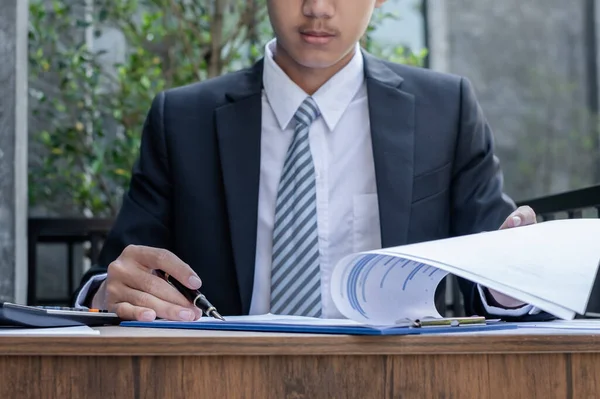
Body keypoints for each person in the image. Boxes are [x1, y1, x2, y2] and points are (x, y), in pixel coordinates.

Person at [75, 0, 546, 322]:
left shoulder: (446, 109)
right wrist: (110, 293)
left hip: (399, 378)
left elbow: (492, 276)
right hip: (223, 377)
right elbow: (113, 274)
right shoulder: (182, 119)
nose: (318, 7)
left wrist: (514, 273)